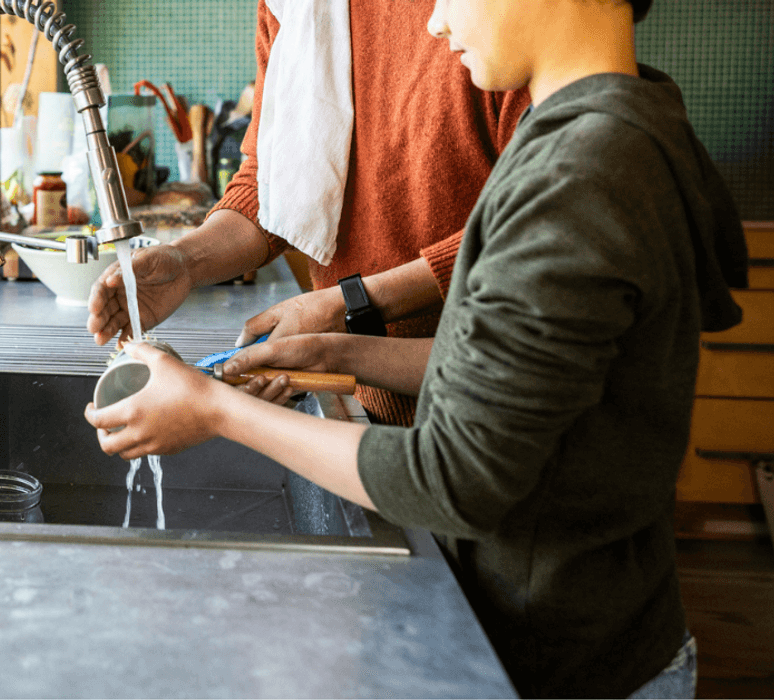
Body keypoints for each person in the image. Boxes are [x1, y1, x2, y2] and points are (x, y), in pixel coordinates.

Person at [85, 0, 750, 696]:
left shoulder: (578, 171)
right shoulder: (607, 128)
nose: (433, 22)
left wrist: (215, 411)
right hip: (575, 624)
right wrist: (338, 352)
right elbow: (518, 368)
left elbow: (452, 476)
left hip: (565, 660)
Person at [87, 1, 531, 429]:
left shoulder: (489, 17)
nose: (437, 23)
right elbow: (275, 177)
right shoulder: (290, 5)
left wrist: (349, 306)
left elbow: (533, 229)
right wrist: (187, 262)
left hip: (501, 386)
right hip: (365, 390)